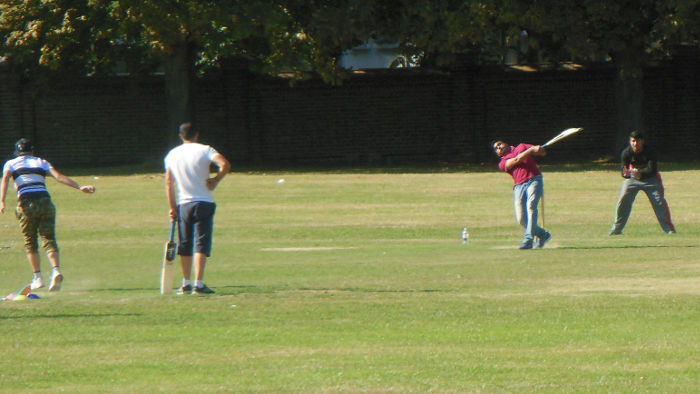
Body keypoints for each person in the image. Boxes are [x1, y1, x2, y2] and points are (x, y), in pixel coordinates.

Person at [0, 138, 96, 291]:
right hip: (46, 201)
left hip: (27, 202)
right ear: (32, 151)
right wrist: (79, 187)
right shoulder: (41, 162)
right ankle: (56, 270)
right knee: (49, 237)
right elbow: (58, 176)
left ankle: (38, 277)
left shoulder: (11, 163)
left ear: (17, 152)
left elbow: (5, 178)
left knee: (30, 241)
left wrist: (2, 201)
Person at [165, 122, 231, 295]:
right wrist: (216, 179)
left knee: (185, 243)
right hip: (204, 202)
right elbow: (225, 164)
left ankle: (185, 283)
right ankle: (198, 284)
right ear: (197, 135)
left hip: (184, 203)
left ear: (181, 136)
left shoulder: (172, 154)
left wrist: (173, 207)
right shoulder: (205, 150)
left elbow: (168, 182)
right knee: (201, 243)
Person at [609, 130, 675, 235]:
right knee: (623, 199)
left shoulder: (650, 152)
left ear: (642, 141)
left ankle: (669, 229)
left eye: (638, 141)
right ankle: (617, 229)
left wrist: (641, 174)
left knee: (659, 201)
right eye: (633, 141)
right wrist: (625, 174)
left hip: (650, 179)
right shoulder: (626, 153)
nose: (635, 144)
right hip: (632, 180)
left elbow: (652, 170)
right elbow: (624, 170)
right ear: (630, 142)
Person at [493, 140, 552, 249]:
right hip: (519, 186)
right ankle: (543, 235)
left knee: (531, 207)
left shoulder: (522, 146)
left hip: (534, 179)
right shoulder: (503, 163)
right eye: (496, 148)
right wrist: (530, 150)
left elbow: (542, 152)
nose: (498, 148)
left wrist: (539, 149)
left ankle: (528, 240)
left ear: (507, 143)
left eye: (499, 144)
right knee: (521, 219)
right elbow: (517, 159)